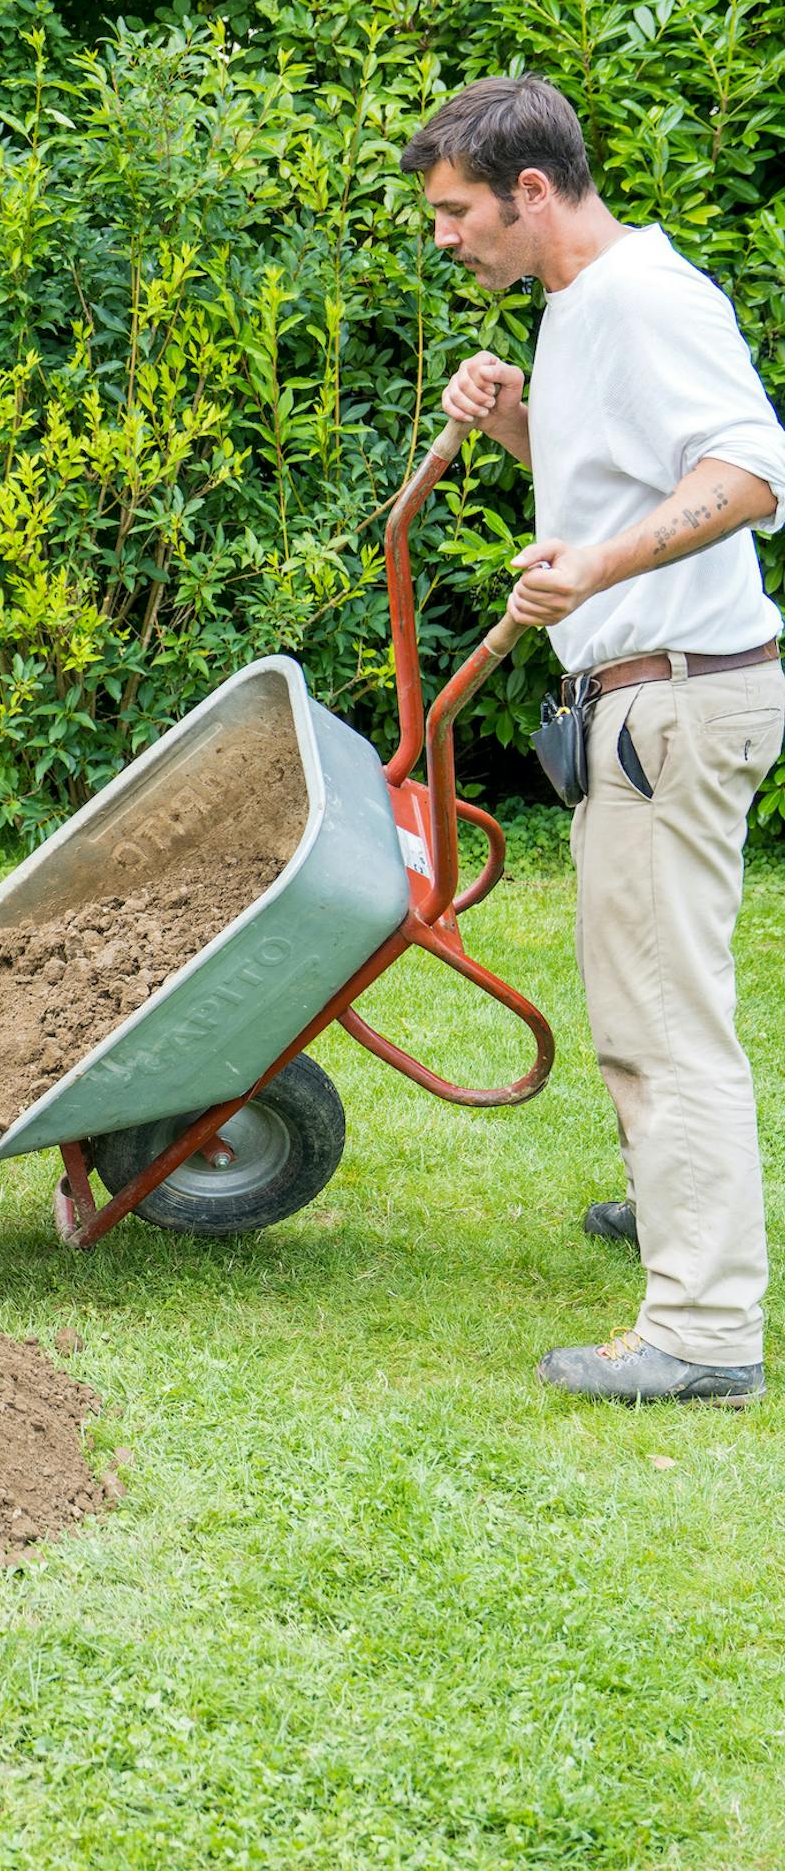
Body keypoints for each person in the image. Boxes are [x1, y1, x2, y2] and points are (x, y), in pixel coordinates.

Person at [401, 74, 785, 1405]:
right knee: (655, 989)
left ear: (533, 192)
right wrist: (515, 422)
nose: (444, 239)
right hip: (647, 697)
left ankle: (705, 1331)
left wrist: (600, 564)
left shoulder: (640, 297)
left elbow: (751, 468)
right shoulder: (581, 309)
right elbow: (626, 471)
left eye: (457, 214)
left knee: (661, 1020)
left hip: (673, 697)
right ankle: (679, 1205)